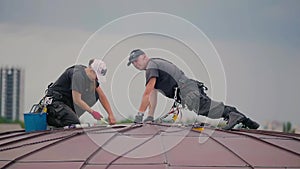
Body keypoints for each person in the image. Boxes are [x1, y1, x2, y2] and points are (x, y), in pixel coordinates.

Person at [127, 49, 259, 130]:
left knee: (205, 109)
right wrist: (150, 116)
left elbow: (147, 92)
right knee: (207, 106)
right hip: (188, 88)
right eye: (132, 63)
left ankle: (233, 116)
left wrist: (139, 115)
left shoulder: (151, 65)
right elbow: (152, 94)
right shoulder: (154, 65)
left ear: (144, 56)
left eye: (136, 61)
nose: (135, 64)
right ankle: (246, 121)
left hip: (187, 90)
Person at [45, 59, 116, 127]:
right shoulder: (78, 76)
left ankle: (71, 115)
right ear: (92, 71)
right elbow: (77, 100)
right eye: (97, 77)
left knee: (95, 95)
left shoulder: (90, 76)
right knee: (73, 122)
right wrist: (93, 112)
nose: (96, 80)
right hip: (56, 102)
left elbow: (101, 95)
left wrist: (110, 114)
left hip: (68, 102)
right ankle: (52, 120)